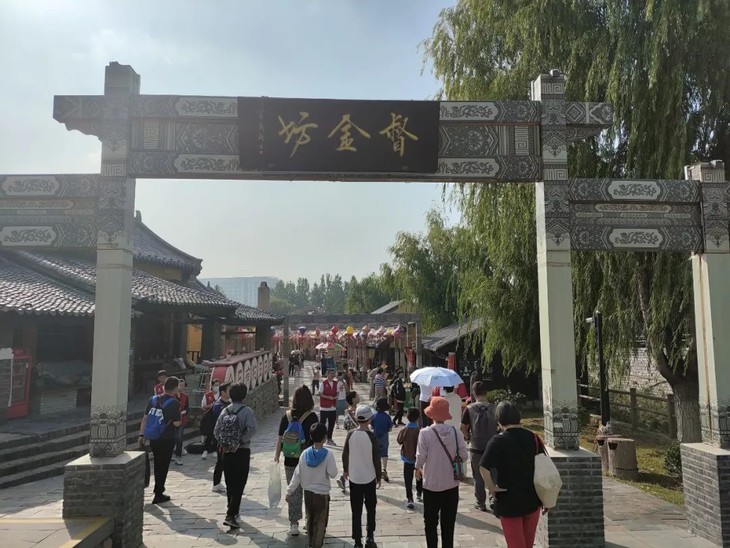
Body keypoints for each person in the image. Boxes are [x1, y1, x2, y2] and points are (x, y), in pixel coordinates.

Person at [480, 401, 545, 548]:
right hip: (532, 498)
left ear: (499, 419)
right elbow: (544, 469)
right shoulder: (533, 437)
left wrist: (492, 487)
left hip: (509, 500)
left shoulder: (498, 440)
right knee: (528, 545)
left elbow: (483, 467)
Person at [415, 397, 468, 548]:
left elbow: (421, 456)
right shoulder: (455, 432)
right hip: (451, 485)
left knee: (430, 523)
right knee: (448, 525)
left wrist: (417, 468)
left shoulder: (425, 433)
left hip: (431, 484)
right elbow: (464, 455)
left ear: (431, 414)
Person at [275, 385, 319, 536]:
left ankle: (294, 524)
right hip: (308, 459)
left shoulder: (286, 416)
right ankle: (309, 520)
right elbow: (317, 440)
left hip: (290, 459)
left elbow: (280, 438)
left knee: (293, 490)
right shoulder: (312, 417)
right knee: (309, 490)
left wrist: (276, 456)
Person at [286, 423, 338, 548]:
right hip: (322, 494)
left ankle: (311, 543)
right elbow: (333, 473)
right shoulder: (328, 455)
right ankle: (317, 545)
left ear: (311, 436)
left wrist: (289, 491)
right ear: (325, 438)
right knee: (320, 522)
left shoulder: (304, 454)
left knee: (310, 519)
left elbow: (297, 474)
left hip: (308, 493)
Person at [213, 382, 257, 530]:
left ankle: (232, 512)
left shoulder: (225, 410)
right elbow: (253, 429)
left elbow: (216, 431)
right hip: (242, 451)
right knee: (239, 484)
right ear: (244, 395)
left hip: (226, 452)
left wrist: (224, 443)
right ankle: (231, 515)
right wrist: (240, 441)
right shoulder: (247, 411)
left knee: (230, 484)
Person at [342, 405, 382, 548]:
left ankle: (357, 540)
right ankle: (370, 536)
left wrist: (345, 470)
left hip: (354, 477)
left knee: (356, 510)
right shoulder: (372, 436)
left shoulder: (350, 434)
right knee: (371, 508)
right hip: (369, 477)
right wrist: (379, 475)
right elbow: (376, 457)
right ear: (369, 419)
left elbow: (345, 453)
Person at [139, 376, 181, 504]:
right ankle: (158, 493)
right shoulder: (174, 403)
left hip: (153, 437)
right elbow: (177, 423)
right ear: (175, 388)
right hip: (167, 438)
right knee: (163, 465)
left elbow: (145, 418)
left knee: (157, 463)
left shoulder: (153, 399)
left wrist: (141, 435)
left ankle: (158, 489)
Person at [460, 381, 497, 511]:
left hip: (476, 447)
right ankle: (494, 498)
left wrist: (468, 437)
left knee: (478, 476)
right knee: (493, 474)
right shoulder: (495, 408)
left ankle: (480, 502)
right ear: (486, 393)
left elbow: (462, 427)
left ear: (474, 393)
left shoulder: (470, 409)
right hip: (493, 446)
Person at [397, 407, 423, 509]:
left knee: (408, 479)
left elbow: (399, 441)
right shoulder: (419, 431)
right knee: (419, 476)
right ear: (417, 418)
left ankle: (410, 498)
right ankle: (419, 492)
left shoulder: (404, 430)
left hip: (407, 458)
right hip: (418, 458)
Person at [210, 383, 231, 493]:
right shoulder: (219, 406)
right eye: (229, 390)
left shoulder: (228, 404)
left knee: (222, 461)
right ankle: (216, 483)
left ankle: (217, 483)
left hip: (228, 437)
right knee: (221, 461)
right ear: (223, 392)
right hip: (221, 438)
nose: (231, 391)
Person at [370, 398, 392, 483]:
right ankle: (384, 469)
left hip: (375, 436)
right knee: (384, 453)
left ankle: (376, 470)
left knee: (375, 454)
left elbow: (372, 426)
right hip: (384, 436)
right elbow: (390, 428)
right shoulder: (387, 417)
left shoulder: (374, 416)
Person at [318, 369, 338, 445]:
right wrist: (328, 397)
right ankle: (320, 438)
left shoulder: (336, 383)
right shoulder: (323, 383)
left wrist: (336, 397)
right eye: (331, 373)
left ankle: (329, 438)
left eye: (333, 373)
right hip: (324, 407)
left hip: (333, 407)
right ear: (327, 374)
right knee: (322, 424)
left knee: (331, 424)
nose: (332, 375)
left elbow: (337, 392)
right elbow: (320, 394)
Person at [201, 379, 221, 451]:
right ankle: (207, 449)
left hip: (218, 418)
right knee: (209, 434)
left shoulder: (221, 395)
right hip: (209, 418)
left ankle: (216, 449)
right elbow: (203, 406)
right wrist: (210, 405)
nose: (217, 387)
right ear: (212, 386)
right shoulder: (207, 395)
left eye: (218, 385)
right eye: (216, 385)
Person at [173, 378, 189, 466]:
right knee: (173, 438)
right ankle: (171, 454)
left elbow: (187, 408)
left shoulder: (185, 396)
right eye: (180, 385)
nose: (181, 387)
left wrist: (184, 411)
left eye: (183, 385)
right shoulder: (172, 395)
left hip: (182, 420)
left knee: (179, 438)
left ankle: (178, 457)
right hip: (172, 420)